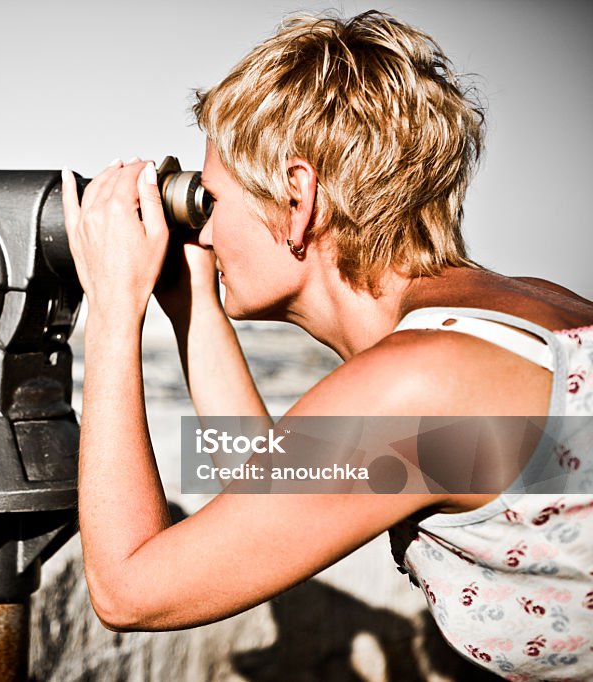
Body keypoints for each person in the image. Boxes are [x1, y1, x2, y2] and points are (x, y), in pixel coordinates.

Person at [60, 10, 593, 681]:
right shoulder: (522, 317)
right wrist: (186, 300)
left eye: (210, 200)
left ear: (298, 198)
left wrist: (112, 306)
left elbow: (130, 591)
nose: (205, 228)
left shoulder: (423, 386)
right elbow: (269, 501)